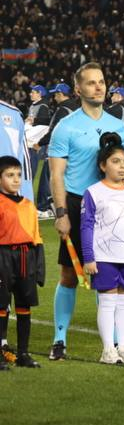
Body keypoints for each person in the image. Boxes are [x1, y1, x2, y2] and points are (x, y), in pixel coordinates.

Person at [47, 63, 124, 361]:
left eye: (102, 82)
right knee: (69, 274)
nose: (98, 87)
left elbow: (123, 167)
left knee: (108, 276)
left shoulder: (118, 126)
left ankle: (115, 343)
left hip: (110, 206)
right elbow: (56, 174)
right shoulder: (66, 126)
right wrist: (60, 212)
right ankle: (59, 339)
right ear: (78, 89)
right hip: (76, 203)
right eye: (91, 83)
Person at [81, 133, 124, 365]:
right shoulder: (93, 192)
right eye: (115, 161)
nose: (122, 166)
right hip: (104, 256)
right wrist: (89, 257)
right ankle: (108, 349)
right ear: (103, 166)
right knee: (108, 301)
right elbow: (86, 226)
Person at [0, 154, 45, 368]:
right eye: (10, 175)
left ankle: (23, 353)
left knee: (24, 304)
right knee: (1, 304)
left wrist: (39, 267)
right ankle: (1, 352)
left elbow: (36, 237)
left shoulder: (28, 205)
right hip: (3, 257)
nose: (16, 179)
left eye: (18, 174)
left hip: (26, 257)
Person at [25, 84, 52, 214]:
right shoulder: (33, 106)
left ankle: (38, 205)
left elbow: (45, 124)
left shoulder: (43, 106)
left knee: (33, 175)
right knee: (29, 175)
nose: (30, 94)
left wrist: (33, 121)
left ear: (40, 93)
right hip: (31, 144)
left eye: (33, 92)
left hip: (36, 145)